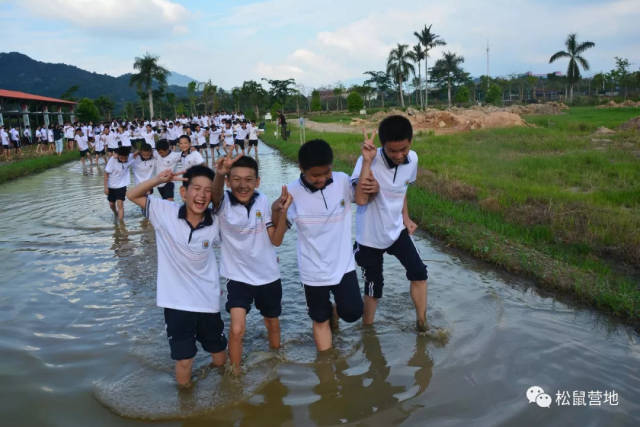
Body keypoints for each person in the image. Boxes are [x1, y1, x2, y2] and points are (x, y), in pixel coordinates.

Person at [126, 165, 227, 387]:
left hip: (207, 302)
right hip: (176, 303)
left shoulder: (216, 221)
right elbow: (131, 194)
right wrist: (158, 180)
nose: (201, 195)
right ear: (184, 192)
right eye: (196, 188)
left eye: (208, 190)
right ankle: (186, 402)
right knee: (184, 360)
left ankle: (226, 389)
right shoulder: (165, 212)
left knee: (219, 353)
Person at [279, 139, 363, 352]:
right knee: (319, 319)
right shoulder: (291, 193)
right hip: (312, 271)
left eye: (326, 173)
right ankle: (325, 365)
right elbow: (277, 238)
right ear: (301, 169)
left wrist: (368, 163)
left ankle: (333, 310)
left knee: (353, 312)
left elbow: (362, 199)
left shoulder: (342, 181)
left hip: (343, 265)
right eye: (315, 175)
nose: (322, 179)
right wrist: (278, 210)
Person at [210, 154, 290, 374]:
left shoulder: (262, 200)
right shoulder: (223, 202)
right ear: (228, 181)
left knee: (272, 323)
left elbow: (276, 239)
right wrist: (218, 173)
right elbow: (214, 196)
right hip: (237, 278)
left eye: (248, 179)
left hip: (268, 276)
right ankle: (235, 376)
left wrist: (281, 213)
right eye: (236, 179)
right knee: (236, 330)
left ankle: (276, 366)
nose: (242, 185)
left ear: (257, 181)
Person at [352, 115, 428, 331]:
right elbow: (360, 200)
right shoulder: (368, 161)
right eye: (392, 151)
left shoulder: (412, 159)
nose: (398, 155)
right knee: (373, 288)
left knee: (419, 273)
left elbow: (403, 188)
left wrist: (405, 217)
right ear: (382, 145)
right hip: (370, 236)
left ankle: (422, 324)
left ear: (410, 142)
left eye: (403, 149)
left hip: (396, 231)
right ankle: (368, 332)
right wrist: (367, 161)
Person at [104, 146, 133, 221]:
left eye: (125, 158)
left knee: (120, 205)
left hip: (121, 186)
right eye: (121, 158)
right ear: (118, 155)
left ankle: (121, 224)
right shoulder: (112, 160)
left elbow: (137, 153)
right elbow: (106, 174)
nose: (123, 160)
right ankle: (115, 213)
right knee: (111, 205)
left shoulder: (129, 157)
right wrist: (106, 187)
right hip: (111, 186)